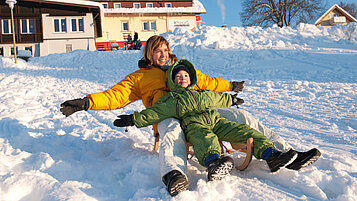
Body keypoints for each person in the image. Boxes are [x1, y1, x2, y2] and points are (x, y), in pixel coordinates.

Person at [59, 35, 320, 196]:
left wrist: (230, 86)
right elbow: (114, 95)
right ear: (149, 55)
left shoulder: (182, 69)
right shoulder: (140, 77)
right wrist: (86, 103)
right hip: (167, 114)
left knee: (244, 118)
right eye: (156, 51)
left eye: (165, 50)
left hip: (201, 111)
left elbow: (207, 83)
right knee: (172, 130)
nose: (162, 55)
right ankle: (174, 174)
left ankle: (286, 155)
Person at [113, 59, 321, 194]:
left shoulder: (200, 91)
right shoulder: (171, 99)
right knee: (205, 139)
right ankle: (209, 164)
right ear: (172, 81)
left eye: (185, 76)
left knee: (246, 128)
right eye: (178, 77)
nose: (182, 78)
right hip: (193, 123)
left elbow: (215, 94)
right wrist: (133, 119)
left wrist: (231, 98)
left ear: (191, 78)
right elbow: (154, 113)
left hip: (215, 119)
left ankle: (272, 154)